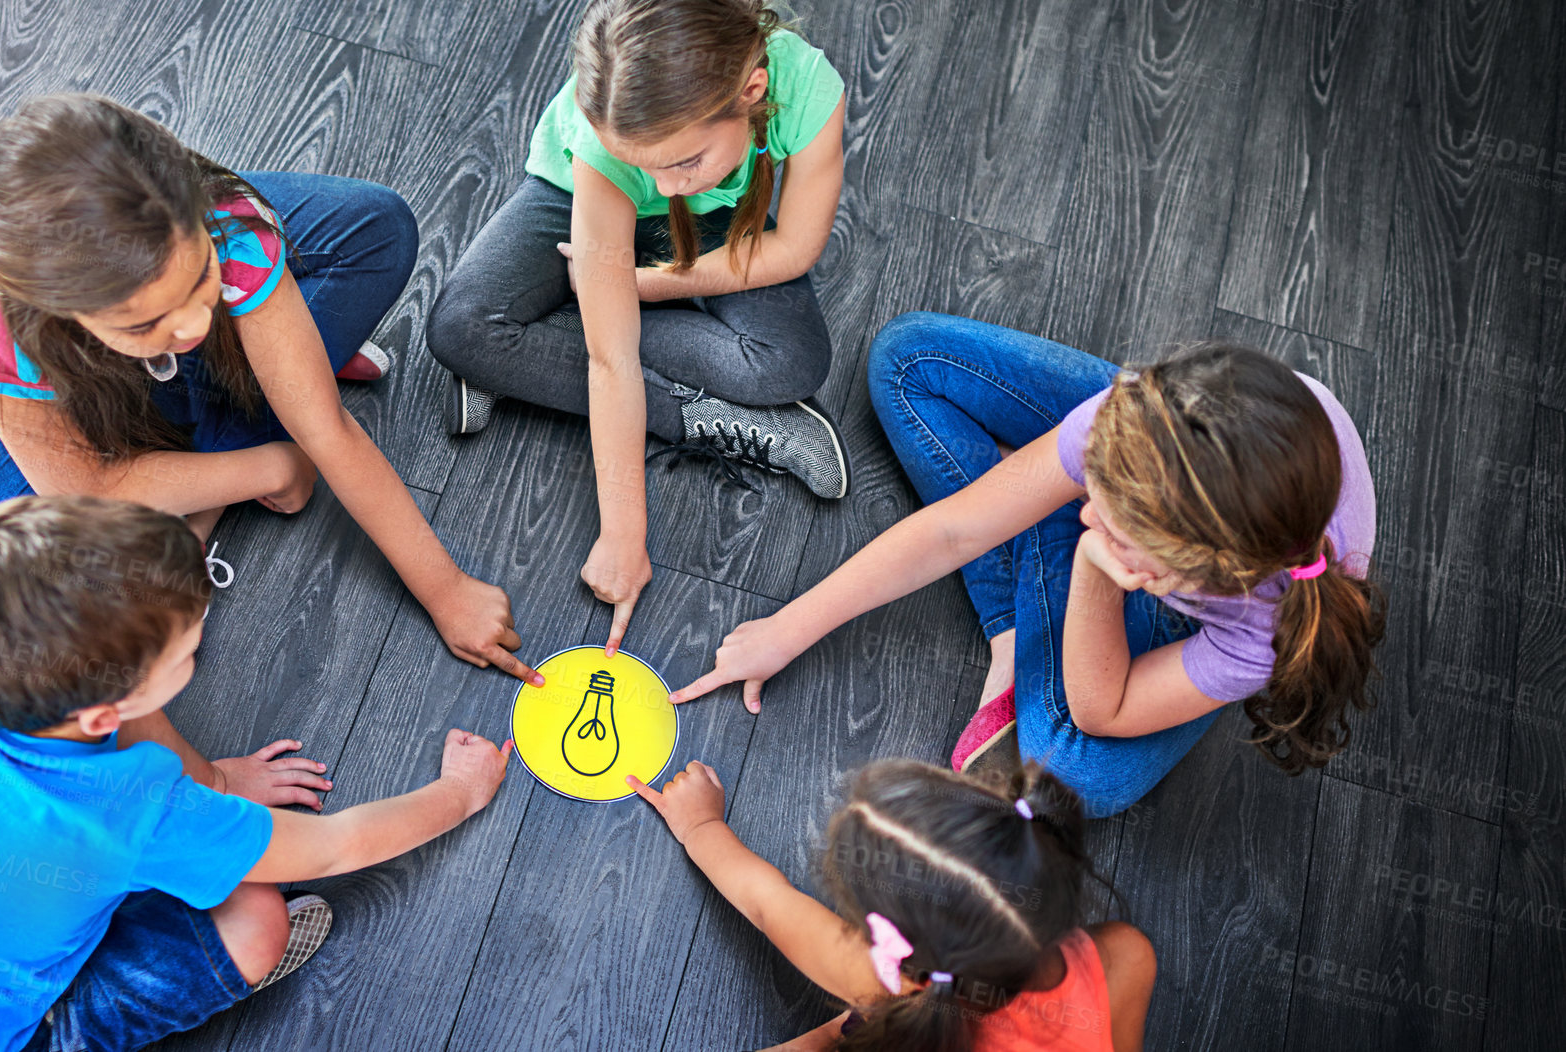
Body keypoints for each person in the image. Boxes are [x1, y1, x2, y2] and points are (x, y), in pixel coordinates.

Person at [0, 495, 515, 1052]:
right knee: (256, 920)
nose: (194, 658)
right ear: (109, 710)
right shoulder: (138, 811)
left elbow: (3, 534)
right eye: (188, 656)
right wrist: (459, 791)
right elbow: (338, 846)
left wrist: (218, 780)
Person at [0, 92, 539, 684]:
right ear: (71, 320)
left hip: (131, 301)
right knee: (39, 559)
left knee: (375, 229)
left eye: (201, 282)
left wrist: (446, 588)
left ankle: (216, 430)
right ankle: (240, 413)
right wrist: (271, 463)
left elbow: (328, 430)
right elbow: (89, 491)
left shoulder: (222, 218)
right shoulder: (1, 326)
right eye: (148, 322)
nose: (193, 323)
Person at [672, 314, 1385, 817]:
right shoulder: (1134, 426)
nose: (1088, 508)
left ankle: (1024, 575)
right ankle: (1018, 618)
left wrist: (1092, 566)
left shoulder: (1267, 632)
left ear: (1186, 576)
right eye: (1092, 491)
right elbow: (952, 531)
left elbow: (1101, 712)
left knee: (1076, 776)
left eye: (1112, 521)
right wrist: (790, 627)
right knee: (909, 359)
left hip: (1166, 568)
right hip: (1180, 467)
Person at [426, 0, 851, 655]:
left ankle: (528, 352)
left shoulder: (809, 89)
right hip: (584, 202)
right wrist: (623, 532)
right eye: (646, 163)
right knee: (461, 329)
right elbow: (609, 360)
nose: (664, 185)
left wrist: (632, 283)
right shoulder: (610, 153)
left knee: (786, 363)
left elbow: (793, 248)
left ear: (752, 92)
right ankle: (685, 408)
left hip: (721, 224)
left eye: (683, 160)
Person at [630, 758, 1155, 1050]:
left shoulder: (892, 985)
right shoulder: (1125, 956)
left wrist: (701, 825)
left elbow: (768, 903)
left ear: (895, 952)